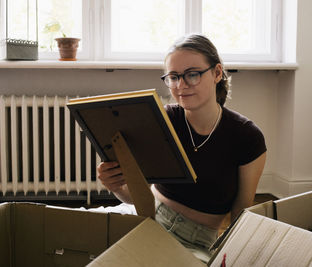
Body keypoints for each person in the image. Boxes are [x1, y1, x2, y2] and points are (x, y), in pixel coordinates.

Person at [97, 34, 267, 262]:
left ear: (217, 73)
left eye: (192, 74)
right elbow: (132, 197)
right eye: (174, 77)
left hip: (195, 241)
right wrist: (115, 185)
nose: (181, 86)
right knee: (71, 234)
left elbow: (241, 213)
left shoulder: (247, 136)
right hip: (143, 218)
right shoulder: (163, 119)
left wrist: (229, 256)